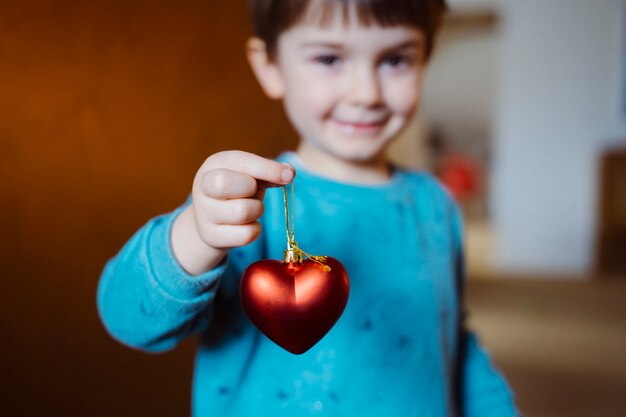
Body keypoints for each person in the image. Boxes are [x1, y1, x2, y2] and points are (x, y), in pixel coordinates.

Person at [97, 0, 519, 416]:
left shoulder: (435, 205)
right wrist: (194, 236)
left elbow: (450, 340)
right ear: (270, 68)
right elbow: (128, 320)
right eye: (329, 58)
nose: (366, 93)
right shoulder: (241, 208)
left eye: (394, 59)